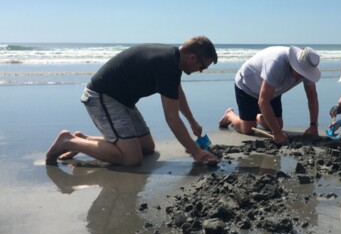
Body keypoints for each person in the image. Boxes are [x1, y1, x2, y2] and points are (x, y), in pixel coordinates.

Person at [46, 37, 220, 166]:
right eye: (202, 67)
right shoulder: (167, 65)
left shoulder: (173, 60)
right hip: (102, 96)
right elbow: (172, 118)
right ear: (192, 58)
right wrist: (196, 152)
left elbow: (176, 93)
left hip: (123, 101)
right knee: (131, 158)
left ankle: (83, 139)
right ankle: (68, 141)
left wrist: (192, 121)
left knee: (147, 148)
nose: (201, 71)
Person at [218, 46, 321, 145]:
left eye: (304, 73)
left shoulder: (308, 68)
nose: (301, 76)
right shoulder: (276, 63)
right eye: (300, 71)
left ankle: (258, 116)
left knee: (278, 125)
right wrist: (277, 134)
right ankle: (229, 115)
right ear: (294, 63)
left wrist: (313, 125)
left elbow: (312, 96)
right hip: (248, 86)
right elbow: (263, 101)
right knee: (248, 129)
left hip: (273, 91)